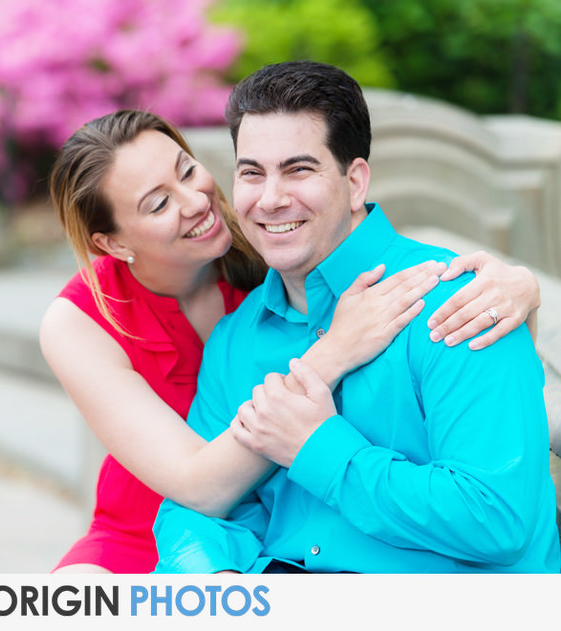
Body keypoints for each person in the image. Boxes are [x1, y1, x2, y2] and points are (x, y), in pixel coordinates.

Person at [41, 109, 542, 574]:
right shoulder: (79, 323)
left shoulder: (265, 250)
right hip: (163, 518)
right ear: (113, 243)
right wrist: (334, 352)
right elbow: (197, 489)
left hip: (246, 531)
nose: (195, 201)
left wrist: (523, 290)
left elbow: (355, 238)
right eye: (158, 203)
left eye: (187, 170)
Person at [153, 61, 561, 574]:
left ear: (355, 181)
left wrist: (319, 449)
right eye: (252, 173)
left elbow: (495, 519)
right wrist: (216, 584)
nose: (272, 199)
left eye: (299, 169)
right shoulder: (236, 338)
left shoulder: (462, 304)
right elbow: (196, 515)